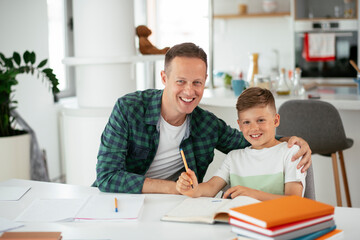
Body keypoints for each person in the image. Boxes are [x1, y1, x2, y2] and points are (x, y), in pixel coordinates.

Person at [95, 42, 312, 194]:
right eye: (181, 81)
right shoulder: (129, 109)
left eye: (197, 82)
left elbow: (249, 138)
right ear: (164, 77)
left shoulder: (207, 125)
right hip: (122, 201)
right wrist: (174, 188)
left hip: (175, 205)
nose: (189, 91)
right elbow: (107, 177)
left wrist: (290, 141)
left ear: (205, 80)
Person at [176, 87, 305, 200]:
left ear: (276, 120)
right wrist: (193, 189)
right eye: (247, 122)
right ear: (240, 125)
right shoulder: (233, 157)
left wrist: (251, 194)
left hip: (275, 224)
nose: (254, 128)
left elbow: (293, 201)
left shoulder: (290, 153)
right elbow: (210, 188)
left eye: (260, 120)